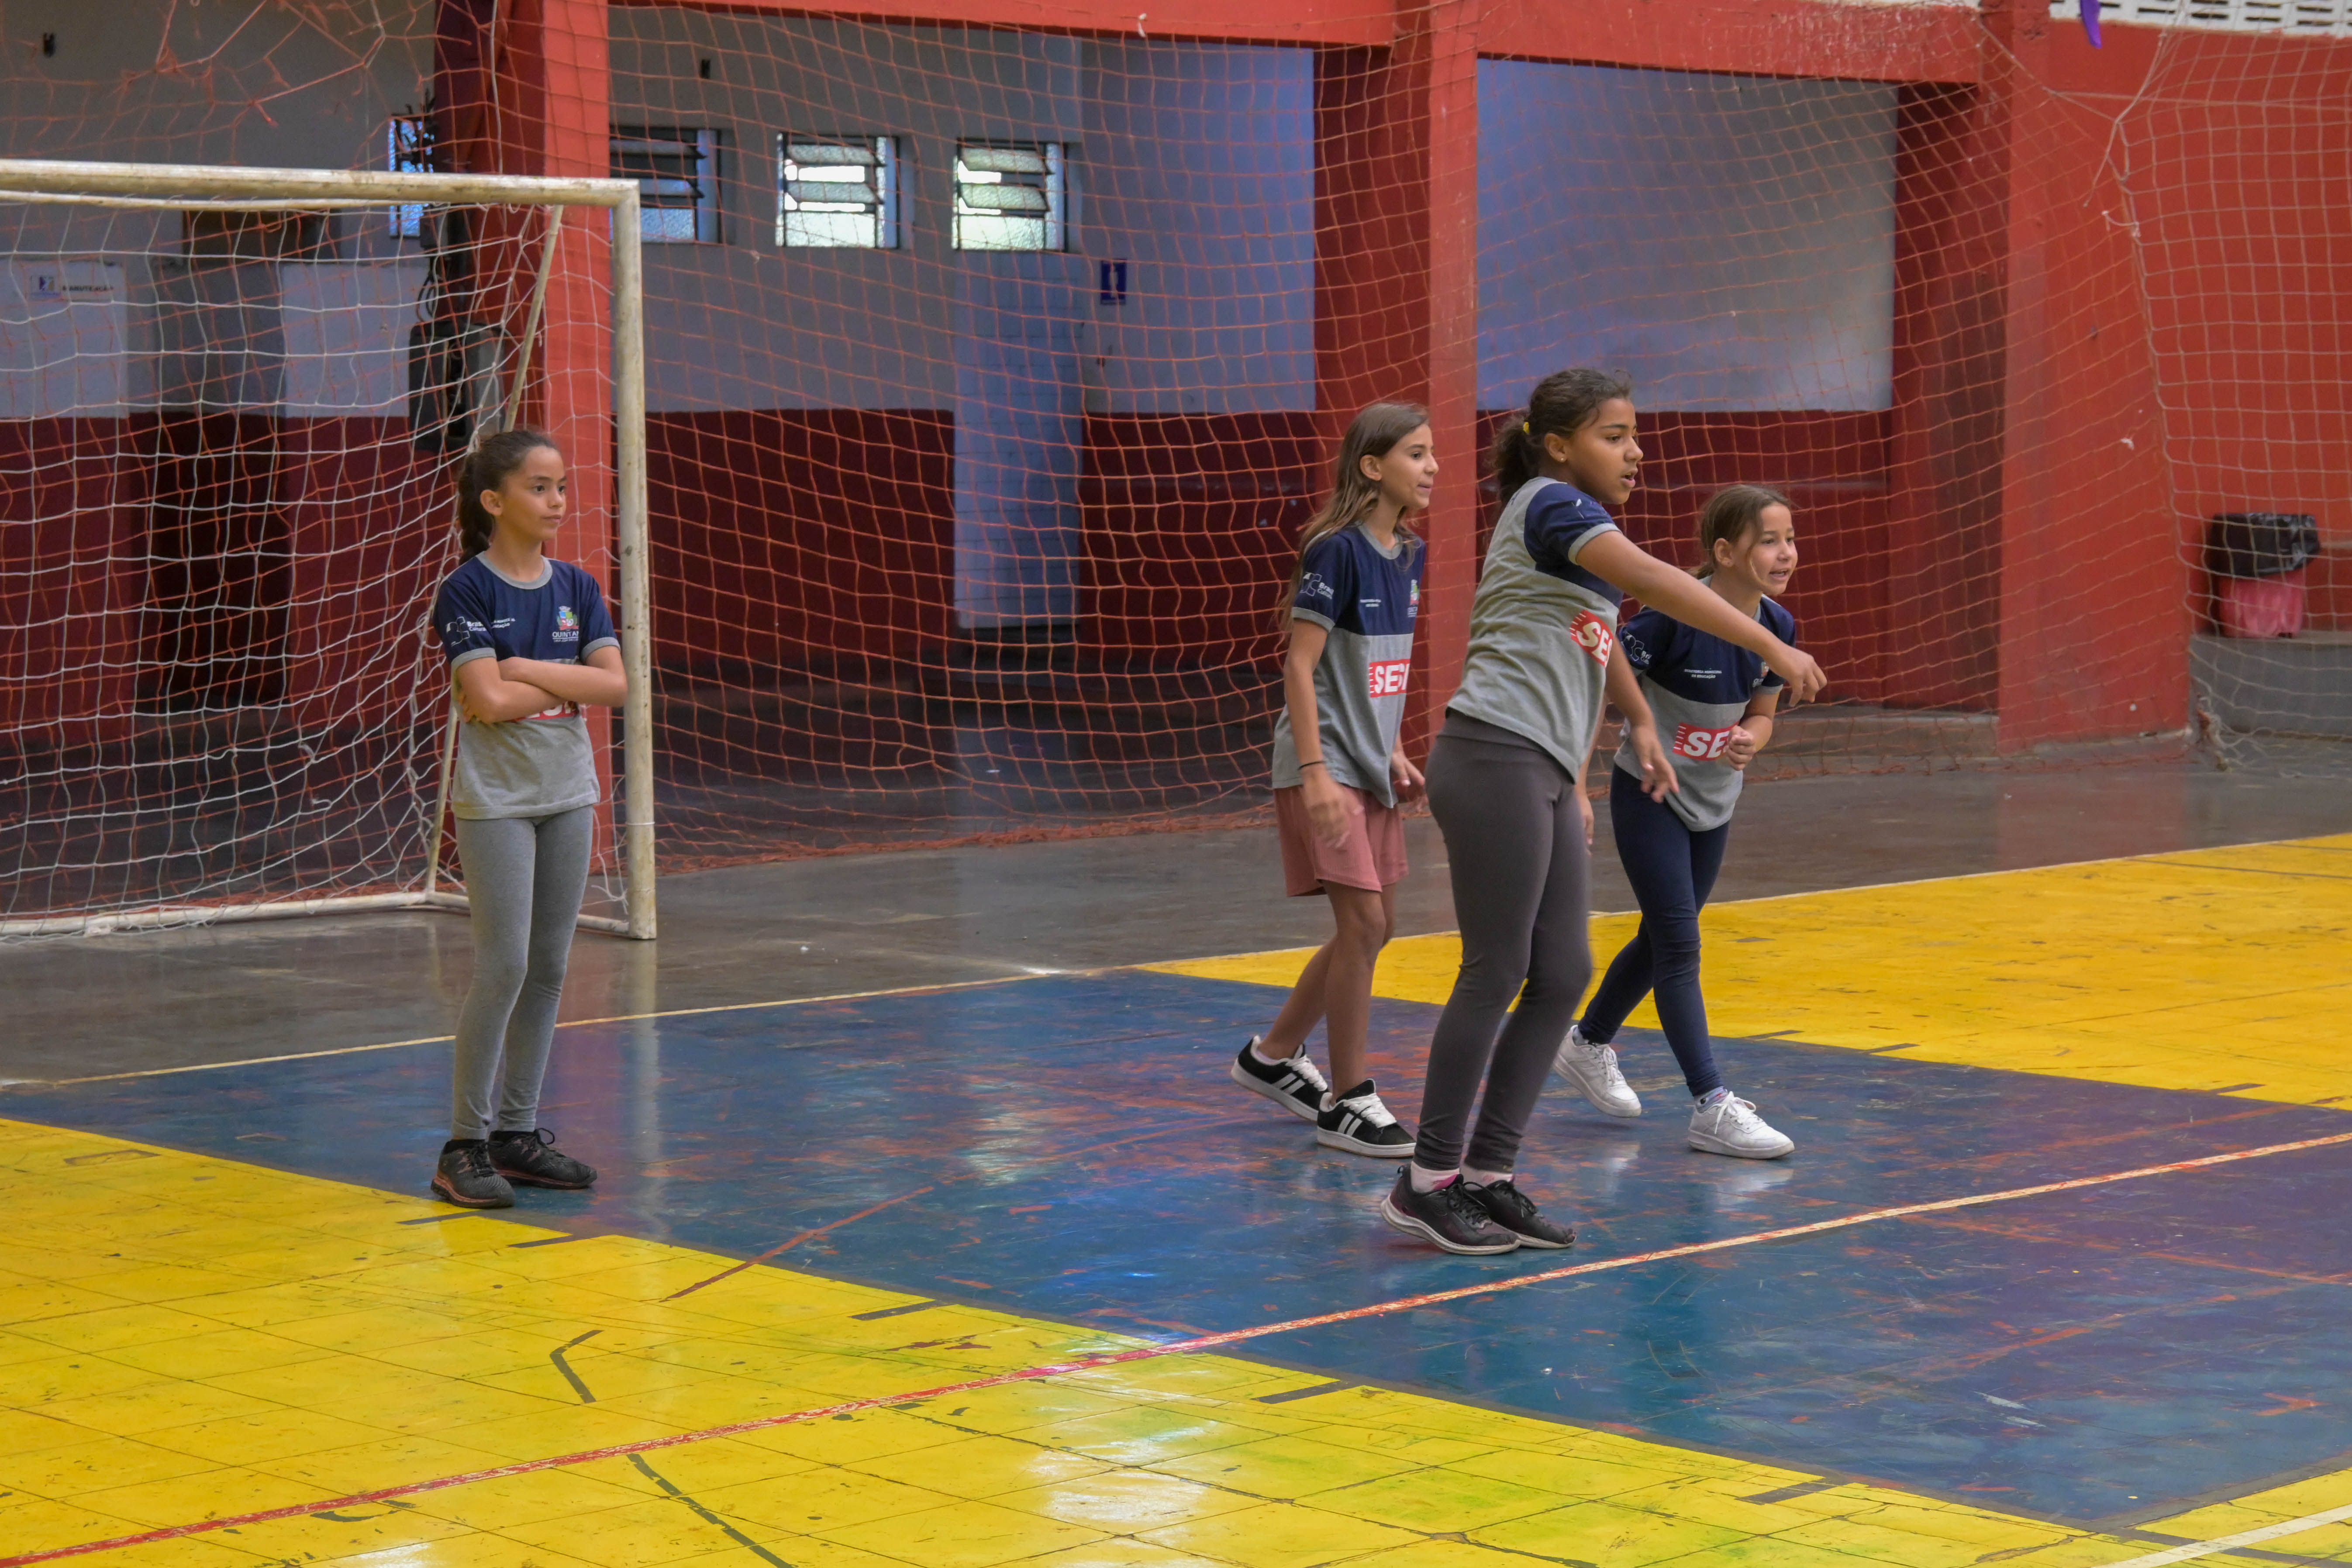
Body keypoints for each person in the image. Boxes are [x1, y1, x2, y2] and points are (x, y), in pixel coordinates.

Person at [1379, 370, 1825, 1255]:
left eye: (1634, 435)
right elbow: (1652, 580)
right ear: (1557, 446)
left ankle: (1488, 1174)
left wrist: (1627, 734)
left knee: (1563, 970)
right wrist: (1768, 643)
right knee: (1497, 967)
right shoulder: (1552, 505)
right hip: (1492, 753)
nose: (1635, 452)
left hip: (1543, 766)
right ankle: (1425, 1181)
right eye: (1613, 436)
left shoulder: (1572, 531)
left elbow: (1590, 641)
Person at [1560, 483, 1802, 1160]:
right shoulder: (1666, 620)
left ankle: (1586, 1042)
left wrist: (1753, 737)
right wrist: (1580, 778)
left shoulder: (1777, 628)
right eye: (1768, 541)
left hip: (1714, 802)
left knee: (1664, 935)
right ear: (1723, 552)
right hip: (1651, 795)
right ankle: (1710, 1103)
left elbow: (1762, 713)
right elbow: (1600, 675)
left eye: (1789, 539)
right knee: (1678, 942)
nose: (1786, 553)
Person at [428, 428, 627, 1210]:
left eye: (561, 486)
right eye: (539, 487)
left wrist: (524, 670)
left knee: (548, 968)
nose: (556, 501)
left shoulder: (576, 585)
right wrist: (566, 679)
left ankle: (515, 1136)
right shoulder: (467, 590)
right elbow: (486, 701)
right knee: (504, 966)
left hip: (567, 796)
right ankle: (463, 1146)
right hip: (498, 806)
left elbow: (616, 686)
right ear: (494, 500)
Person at [1230, 402, 1433, 1158]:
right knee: (1365, 926)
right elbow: (1301, 666)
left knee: (1377, 926)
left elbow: (1374, 671)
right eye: (1416, 453)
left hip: (1366, 762)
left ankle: (1272, 1056)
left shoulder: (1407, 554)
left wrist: (1391, 748)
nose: (1433, 467)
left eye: (1432, 453)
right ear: (1373, 467)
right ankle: (1348, 1100)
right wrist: (1315, 771)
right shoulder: (1335, 550)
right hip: (1325, 763)